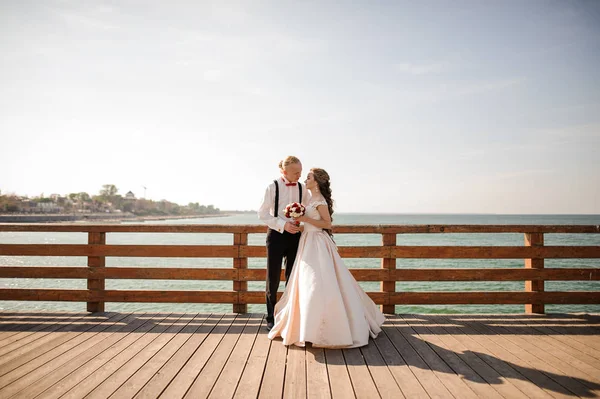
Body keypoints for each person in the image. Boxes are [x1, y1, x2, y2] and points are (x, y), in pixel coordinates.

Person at [267, 168, 386, 348]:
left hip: (317, 244)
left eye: (308, 177)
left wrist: (305, 218)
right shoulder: (309, 199)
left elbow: (327, 223)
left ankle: (326, 328)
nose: (305, 180)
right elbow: (307, 225)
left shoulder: (320, 201)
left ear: (316, 181)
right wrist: (295, 224)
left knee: (319, 283)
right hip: (306, 242)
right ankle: (307, 328)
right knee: (307, 284)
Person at [258, 156, 309, 331]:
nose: (299, 176)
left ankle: (289, 316)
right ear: (284, 171)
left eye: (301, 172)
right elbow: (262, 214)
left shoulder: (303, 189)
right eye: (296, 172)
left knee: (293, 276)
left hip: (296, 236)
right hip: (276, 236)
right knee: (272, 278)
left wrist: (301, 225)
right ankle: (271, 317)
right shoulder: (272, 187)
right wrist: (283, 225)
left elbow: (309, 212)